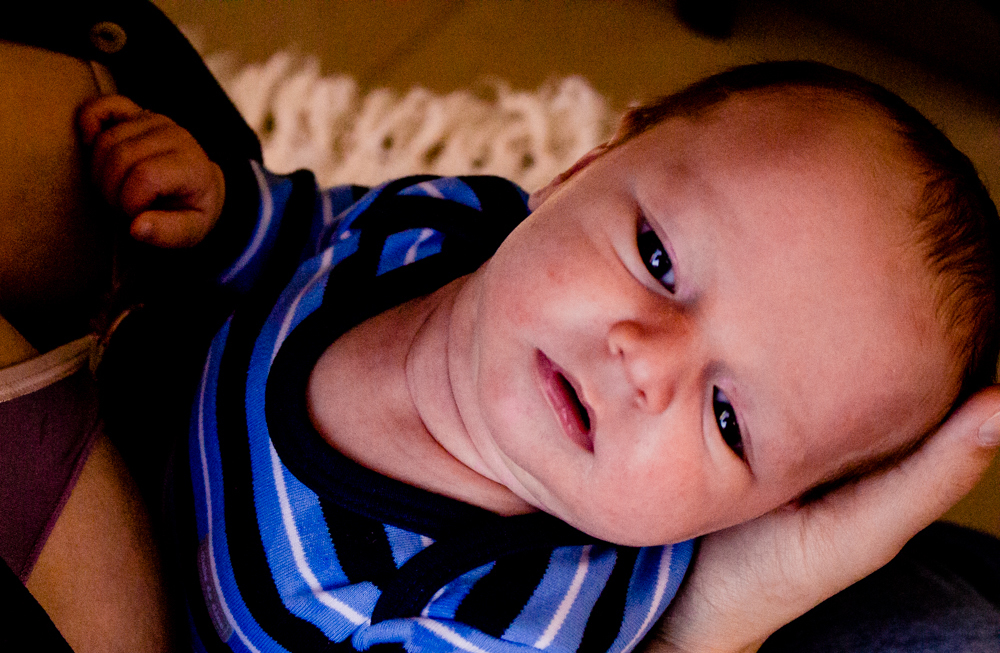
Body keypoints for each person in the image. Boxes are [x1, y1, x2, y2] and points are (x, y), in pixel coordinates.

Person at [77, 59, 1000, 653]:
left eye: (727, 418)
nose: (646, 363)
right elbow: (323, 229)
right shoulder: (451, 221)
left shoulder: (500, 613)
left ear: (760, 513)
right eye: (657, 257)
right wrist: (230, 216)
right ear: (580, 169)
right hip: (112, 386)